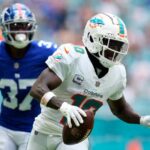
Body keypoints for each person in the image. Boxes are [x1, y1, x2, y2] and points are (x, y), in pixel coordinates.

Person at [27, 13, 150, 150]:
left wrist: (140, 119)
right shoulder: (72, 56)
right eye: (111, 44)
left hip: (76, 138)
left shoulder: (118, 73)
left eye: (118, 46)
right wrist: (64, 107)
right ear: (93, 38)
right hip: (43, 131)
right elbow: (38, 88)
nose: (115, 50)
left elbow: (119, 109)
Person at [0, 3, 57, 150]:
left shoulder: (45, 52)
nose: (21, 31)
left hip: (34, 129)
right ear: (5, 29)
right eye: (15, 26)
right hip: (4, 127)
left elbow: (72, 61)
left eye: (25, 26)